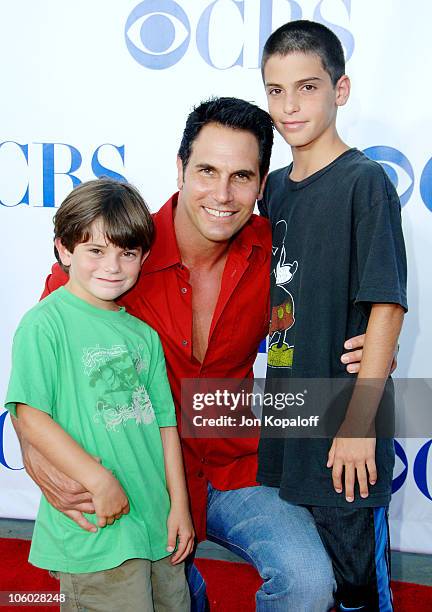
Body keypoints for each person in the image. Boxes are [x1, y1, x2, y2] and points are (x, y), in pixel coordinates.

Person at [15, 98, 371, 611]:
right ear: (180, 167)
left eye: (241, 176)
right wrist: (34, 457)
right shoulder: (116, 254)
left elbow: (333, 321)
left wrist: (369, 352)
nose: (222, 195)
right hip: (142, 473)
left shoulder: (279, 254)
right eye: (206, 170)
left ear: (261, 184)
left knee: (309, 581)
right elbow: (41, 372)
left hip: (235, 465)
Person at [257, 21, 407, 611]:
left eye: (307, 87)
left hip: (345, 426)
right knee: (309, 578)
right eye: (275, 90)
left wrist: (356, 426)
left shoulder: (364, 181)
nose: (290, 106)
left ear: (339, 89)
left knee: (356, 587)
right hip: (290, 419)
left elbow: (386, 305)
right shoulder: (271, 189)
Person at [5, 179, 193, 611]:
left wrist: (179, 507)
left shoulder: (144, 336)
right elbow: (31, 417)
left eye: (126, 253)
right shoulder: (44, 324)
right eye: (95, 250)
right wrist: (98, 480)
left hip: (156, 524)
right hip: (95, 526)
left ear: (143, 256)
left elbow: (165, 425)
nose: (112, 265)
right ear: (64, 250)